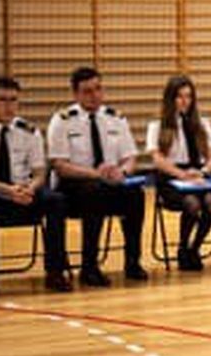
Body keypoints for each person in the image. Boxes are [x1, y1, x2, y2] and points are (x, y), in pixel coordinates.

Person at [0, 77, 73, 297]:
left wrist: (30, 188)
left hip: (24, 192)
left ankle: (55, 272)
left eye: (13, 100)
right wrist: (6, 190)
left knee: (56, 201)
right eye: (2, 100)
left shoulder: (29, 132)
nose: (8, 106)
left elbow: (40, 172)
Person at [48, 67, 147, 286]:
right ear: (75, 94)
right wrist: (95, 174)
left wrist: (122, 172)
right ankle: (89, 266)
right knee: (94, 192)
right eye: (87, 91)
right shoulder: (62, 120)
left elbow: (130, 157)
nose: (95, 95)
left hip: (109, 182)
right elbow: (59, 165)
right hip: (74, 186)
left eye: (98, 89)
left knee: (136, 194)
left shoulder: (115, 118)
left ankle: (133, 262)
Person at [146, 75, 211, 271]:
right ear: (170, 99)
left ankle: (194, 248)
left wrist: (203, 172)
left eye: (188, 96)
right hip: (172, 178)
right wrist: (182, 175)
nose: (184, 101)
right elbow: (158, 160)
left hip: (198, 176)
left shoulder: (203, 123)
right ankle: (182, 248)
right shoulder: (157, 126)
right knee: (192, 203)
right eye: (179, 96)